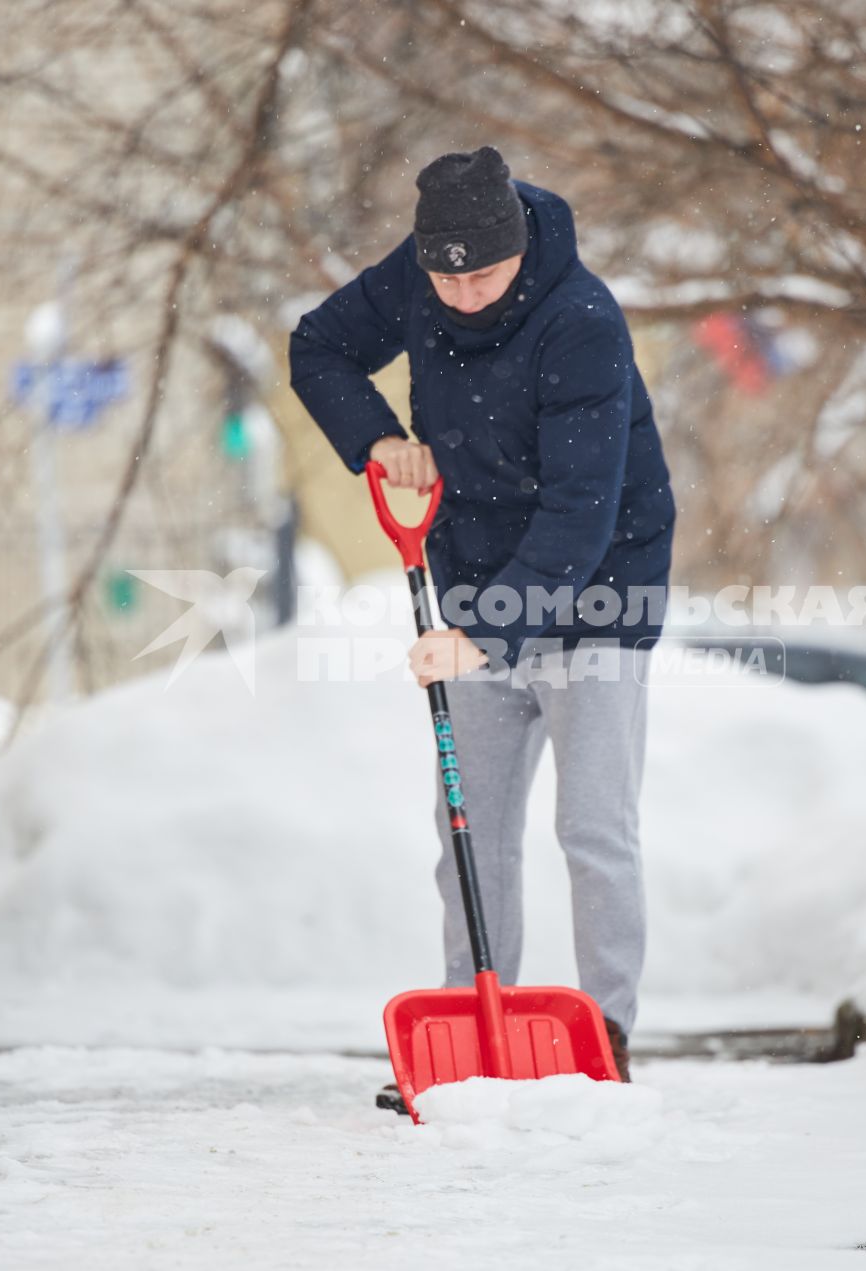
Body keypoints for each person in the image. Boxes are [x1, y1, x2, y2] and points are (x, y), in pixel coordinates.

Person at [288, 146, 675, 1107]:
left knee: (592, 827)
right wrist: (379, 437)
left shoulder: (581, 320)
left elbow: (582, 513)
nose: (461, 295)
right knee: (471, 825)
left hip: (600, 594)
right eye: (445, 276)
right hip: (472, 578)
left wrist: (490, 631)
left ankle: (607, 1033)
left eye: (483, 274)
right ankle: (474, 1025)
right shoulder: (417, 278)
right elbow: (318, 346)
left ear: (518, 251)